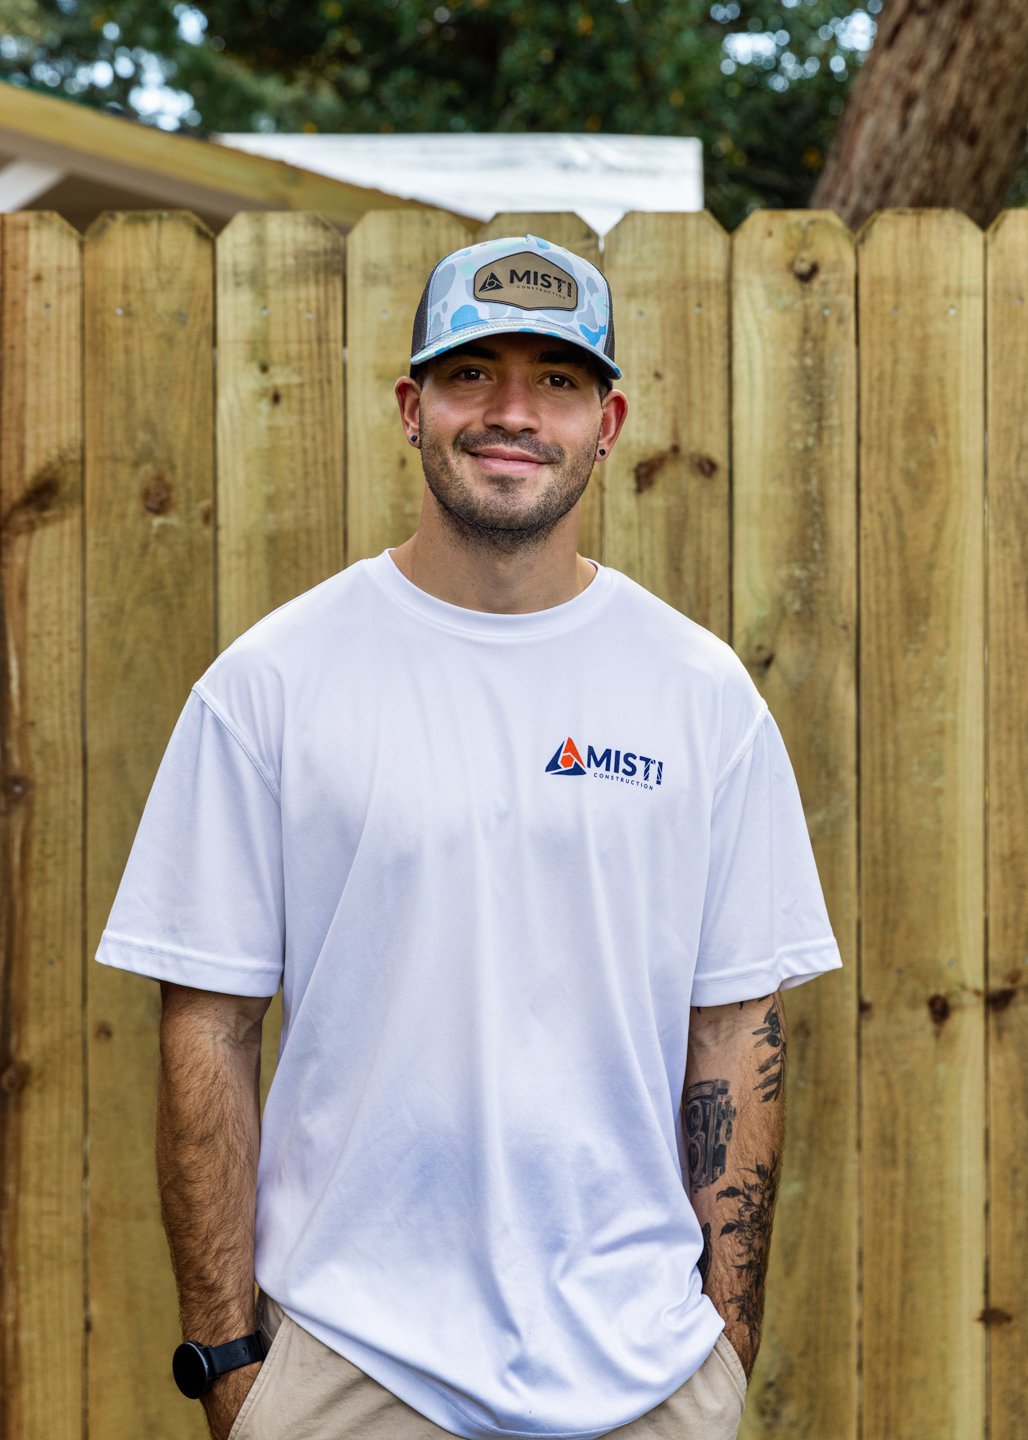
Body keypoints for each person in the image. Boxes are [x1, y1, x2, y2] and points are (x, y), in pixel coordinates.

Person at [96, 232, 843, 1440]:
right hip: (354, 1368)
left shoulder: (698, 696)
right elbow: (211, 1026)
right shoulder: (272, 683)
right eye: (470, 374)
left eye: (554, 379)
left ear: (606, 422)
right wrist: (233, 1363)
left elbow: (735, 1023)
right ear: (411, 406)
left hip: (643, 1376)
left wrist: (721, 1351)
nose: (511, 413)